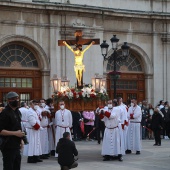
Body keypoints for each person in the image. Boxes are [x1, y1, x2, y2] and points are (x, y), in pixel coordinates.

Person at [0, 92, 25, 170]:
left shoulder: (17, 112)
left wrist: (21, 140)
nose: (16, 100)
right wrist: (15, 133)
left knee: (17, 166)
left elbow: (18, 127)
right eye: (13, 99)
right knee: (9, 166)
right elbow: (0, 131)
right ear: (8, 100)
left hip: (16, 144)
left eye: (17, 98)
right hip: (8, 144)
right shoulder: (5, 113)